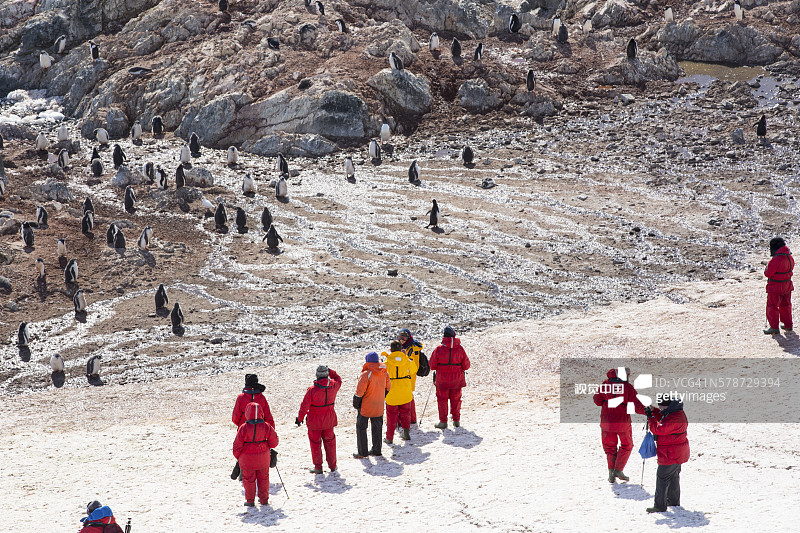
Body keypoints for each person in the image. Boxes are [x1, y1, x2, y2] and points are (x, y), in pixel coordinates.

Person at [592, 367, 646, 483]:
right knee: (627, 445)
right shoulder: (627, 387)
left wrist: (606, 403)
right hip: (622, 422)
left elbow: (597, 400)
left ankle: (611, 473)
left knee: (610, 448)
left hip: (606, 422)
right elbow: (637, 405)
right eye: (629, 375)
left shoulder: (605, 384)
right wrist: (647, 411)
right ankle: (618, 470)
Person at [645, 398, 690, 513]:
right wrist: (653, 410)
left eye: (661, 407)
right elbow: (662, 417)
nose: (660, 409)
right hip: (677, 452)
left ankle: (659, 506)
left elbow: (657, 429)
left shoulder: (674, 418)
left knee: (662, 477)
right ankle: (673, 501)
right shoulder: (675, 413)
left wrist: (650, 417)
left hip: (671, 453)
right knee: (673, 476)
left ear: (668, 406)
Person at [297, 365, 342, 474]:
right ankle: (333, 466)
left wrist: (300, 418)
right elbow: (338, 378)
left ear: (317, 375)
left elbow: (304, 406)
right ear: (326, 375)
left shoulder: (312, 390)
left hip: (314, 422)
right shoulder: (334, 386)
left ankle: (318, 467)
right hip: (329, 420)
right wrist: (330, 370)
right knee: (330, 443)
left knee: (315, 444)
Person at [233, 402, 279, 507]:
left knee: (248, 480)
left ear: (247, 413)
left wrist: (238, 457)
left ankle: (250, 501)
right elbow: (274, 443)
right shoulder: (266, 426)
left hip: (247, 459)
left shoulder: (243, 428)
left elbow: (237, 445)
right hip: (263, 458)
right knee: (264, 478)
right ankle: (264, 499)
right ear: (261, 413)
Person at [428, 325, 470, 429]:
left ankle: (443, 422)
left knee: (442, 400)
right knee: (456, 399)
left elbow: (432, 366)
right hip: (457, 379)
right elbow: (466, 365)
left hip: (442, 379)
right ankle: (456, 421)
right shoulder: (460, 349)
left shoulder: (438, 349)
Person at [353, 351, 391, 458]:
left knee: (361, 428)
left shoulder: (366, 374)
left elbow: (359, 392)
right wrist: (381, 397)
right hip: (379, 405)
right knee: (377, 428)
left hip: (366, 406)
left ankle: (362, 452)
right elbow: (388, 388)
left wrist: (356, 403)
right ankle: (376, 450)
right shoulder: (384, 372)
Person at [383, 340, 418, 443]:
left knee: (391, 416)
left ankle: (389, 438)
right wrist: (406, 357)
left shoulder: (386, 362)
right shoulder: (407, 360)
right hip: (405, 391)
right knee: (406, 413)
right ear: (401, 350)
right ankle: (406, 433)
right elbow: (414, 370)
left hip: (391, 392)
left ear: (391, 350)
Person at [764, 237, 794, 334]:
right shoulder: (790, 257)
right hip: (787, 285)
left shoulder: (776, 260)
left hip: (775, 286)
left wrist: (767, 266)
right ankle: (788, 325)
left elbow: (767, 273)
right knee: (786, 305)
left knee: (772, 306)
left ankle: (774, 327)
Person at [398, 328, 424, 424]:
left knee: (406, 399)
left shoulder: (413, 349)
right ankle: (411, 419)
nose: (401, 340)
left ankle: (410, 419)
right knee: (407, 398)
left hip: (408, 377)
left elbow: (414, 365)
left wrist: (404, 356)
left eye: (403, 338)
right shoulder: (402, 347)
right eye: (400, 337)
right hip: (402, 376)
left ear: (408, 338)